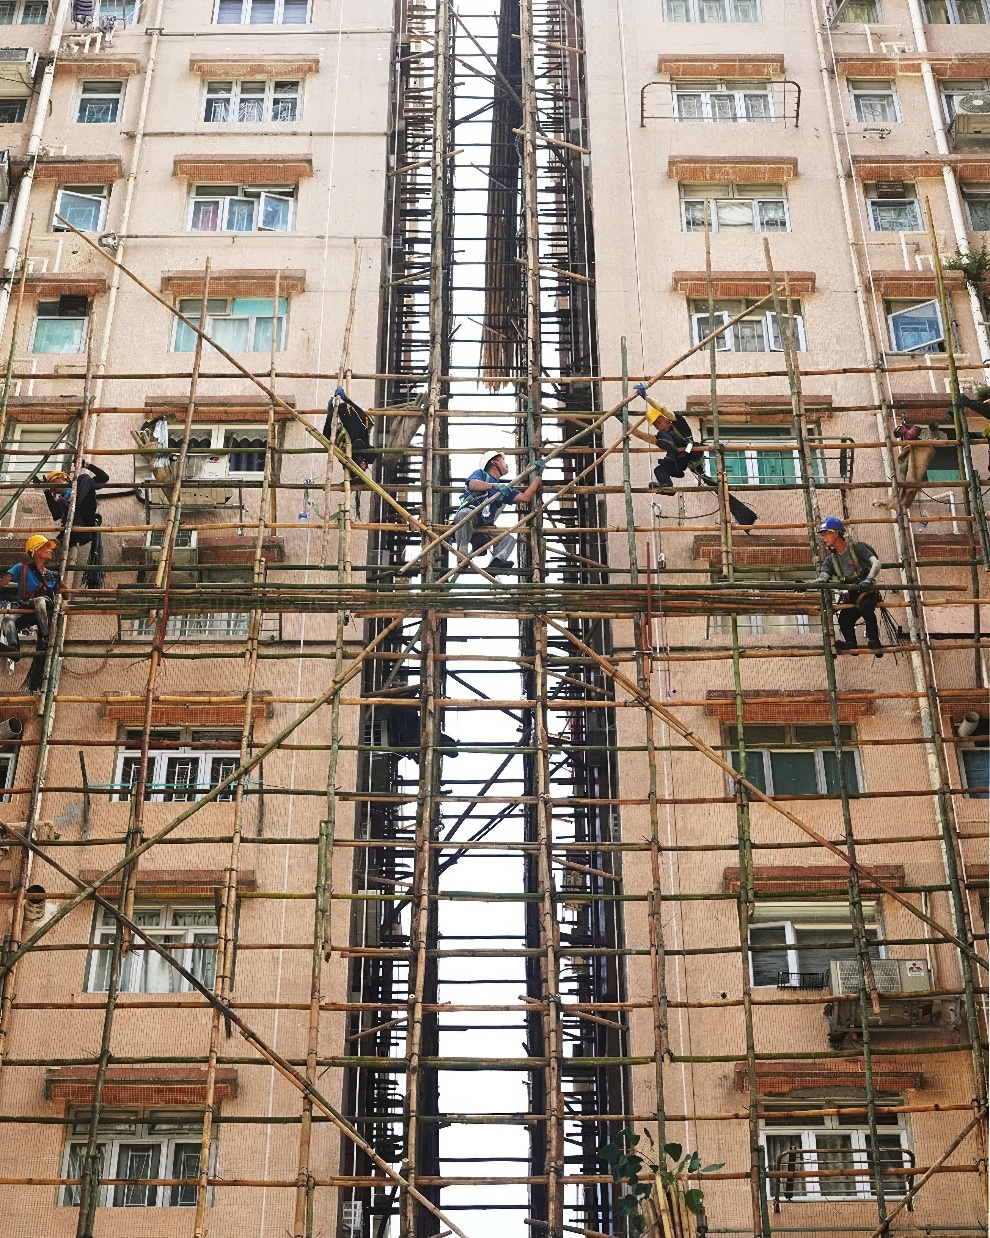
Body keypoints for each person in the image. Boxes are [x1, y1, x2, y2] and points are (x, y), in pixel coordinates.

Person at [454, 451, 542, 574]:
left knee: (508, 540)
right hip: (471, 514)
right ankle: (462, 557)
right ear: (494, 462)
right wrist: (493, 486)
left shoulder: (503, 489)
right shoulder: (481, 474)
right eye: (503, 460)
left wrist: (538, 477)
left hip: (485, 524)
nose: (506, 464)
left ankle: (496, 562)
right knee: (464, 515)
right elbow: (473, 484)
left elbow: (525, 497)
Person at [815, 516, 883, 656]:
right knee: (844, 618)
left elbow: (876, 563)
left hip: (867, 591)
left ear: (836, 533)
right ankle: (851, 643)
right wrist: (807, 585)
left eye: (825, 533)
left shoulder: (858, 548)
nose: (823, 538)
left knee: (866, 608)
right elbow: (822, 578)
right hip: (852, 595)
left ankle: (874, 641)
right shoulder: (830, 561)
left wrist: (868, 580)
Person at [0, 536, 60, 690]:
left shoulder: (52, 575)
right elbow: (3, 582)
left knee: (39, 601)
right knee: (7, 619)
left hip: (45, 608)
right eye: (46, 547)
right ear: (36, 551)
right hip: (26, 608)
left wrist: (61, 585)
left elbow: (64, 595)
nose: (50, 550)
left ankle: (46, 637)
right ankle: (14, 650)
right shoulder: (21, 569)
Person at [45, 461, 109, 588]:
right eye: (52, 489)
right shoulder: (62, 500)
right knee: (56, 545)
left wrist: (88, 466)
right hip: (73, 529)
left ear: (63, 478)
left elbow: (104, 478)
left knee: (84, 479)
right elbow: (56, 514)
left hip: (86, 522)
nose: (54, 489)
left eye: (54, 484)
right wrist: (46, 491)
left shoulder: (83, 482)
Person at [888, 420, 946, 512]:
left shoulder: (920, 433)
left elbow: (934, 442)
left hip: (920, 449)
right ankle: (901, 494)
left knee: (912, 474)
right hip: (914, 451)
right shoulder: (909, 435)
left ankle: (904, 493)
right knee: (905, 473)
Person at [324, 387, 375, 465]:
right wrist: (346, 400)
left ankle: (341, 404)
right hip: (356, 437)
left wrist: (330, 414)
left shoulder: (348, 458)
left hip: (353, 449)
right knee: (358, 433)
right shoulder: (359, 426)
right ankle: (343, 403)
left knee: (357, 436)